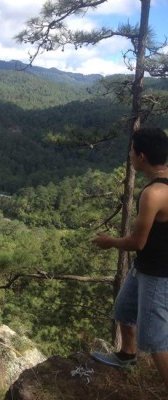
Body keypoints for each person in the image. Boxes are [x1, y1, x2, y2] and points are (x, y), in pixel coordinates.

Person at [91, 127, 168, 390]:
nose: (130, 154)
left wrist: (108, 242)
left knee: (156, 340)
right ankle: (127, 355)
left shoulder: (153, 193)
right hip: (146, 266)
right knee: (124, 309)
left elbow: (137, 242)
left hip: (158, 273)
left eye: (132, 150)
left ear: (142, 156)